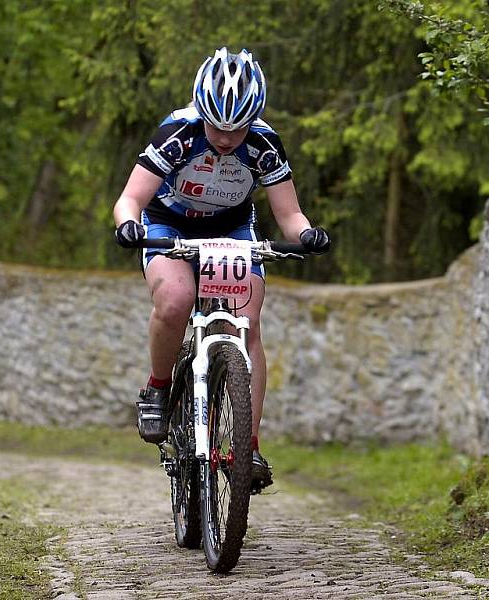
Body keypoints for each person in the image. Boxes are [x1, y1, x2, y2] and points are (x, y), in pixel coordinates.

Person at [112, 47, 331, 491]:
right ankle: (157, 388)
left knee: (248, 325)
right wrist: (129, 225)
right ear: (201, 111)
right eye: (216, 125)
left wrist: (306, 233)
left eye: (238, 128)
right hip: (167, 225)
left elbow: (289, 213)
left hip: (232, 231)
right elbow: (130, 199)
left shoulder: (264, 143)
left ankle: (246, 447)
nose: (227, 138)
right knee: (175, 301)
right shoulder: (178, 131)